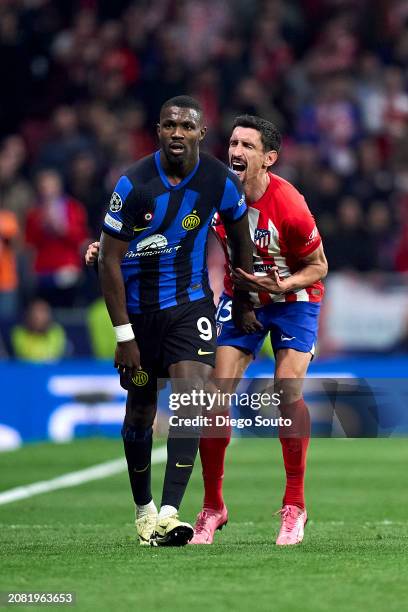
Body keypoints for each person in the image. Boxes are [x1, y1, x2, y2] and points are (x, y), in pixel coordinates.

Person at [86, 114, 328, 547]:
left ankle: (295, 505)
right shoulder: (215, 190)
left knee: (287, 389)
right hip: (240, 300)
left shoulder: (289, 206)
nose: (236, 151)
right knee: (210, 399)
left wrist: (283, 284)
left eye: (248, 146)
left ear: (268, 159)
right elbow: (163, 231)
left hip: (292, 302)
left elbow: (319, 266)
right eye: (233, 143)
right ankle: (213, 507)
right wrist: (106, 249)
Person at [97, 96, 253, 547]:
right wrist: (124, 335)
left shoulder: (220, 181)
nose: (177, 133)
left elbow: (240, 241)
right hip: (140, 317)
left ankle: (170, 512)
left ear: (202, 133)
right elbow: (108, 260)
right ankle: (144, 510)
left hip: (190, 307)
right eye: (169, 126)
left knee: (191, 397)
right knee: (142, 408)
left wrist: (241, 300)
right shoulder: (133, 184)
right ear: (158, 130)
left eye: (186, 126)